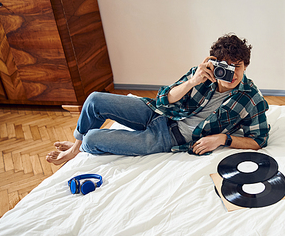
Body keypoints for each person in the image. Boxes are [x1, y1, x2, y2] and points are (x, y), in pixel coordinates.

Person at [46, 34, 270, 165]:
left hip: (168, 138)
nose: (230, 74)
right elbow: (164, 99)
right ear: (215, 63)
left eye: (237, 67)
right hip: (157, 112)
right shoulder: (201, 75)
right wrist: (192, 82)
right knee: (94, 99)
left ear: (246, 65)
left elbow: (258, 141)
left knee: (93, 138)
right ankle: (75, 147)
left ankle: (83, 145)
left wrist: (222, 138)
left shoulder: (251, 99)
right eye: (225, 67)